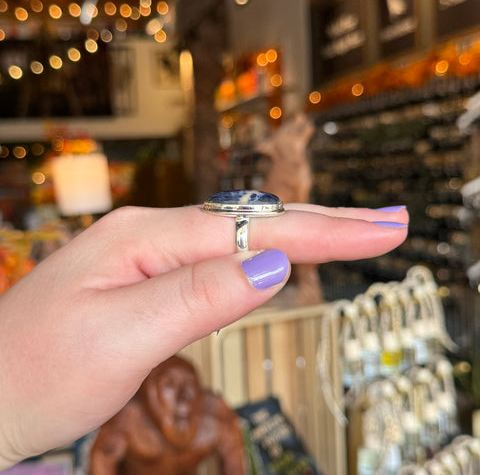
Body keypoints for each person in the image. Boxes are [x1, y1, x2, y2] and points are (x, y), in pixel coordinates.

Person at [0, 202, 408, 471]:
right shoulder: (127, 422)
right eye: (169, 389)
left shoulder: (214, 418)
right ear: (140, 394)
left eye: (188, 388)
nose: (184, 402)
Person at [90, 355, 246, 475]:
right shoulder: (129, 419)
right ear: (149, 395)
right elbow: (101, 460)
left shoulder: (215, 416)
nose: (184, 397)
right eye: (169, 385)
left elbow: (235, 469)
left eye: (190, 384)